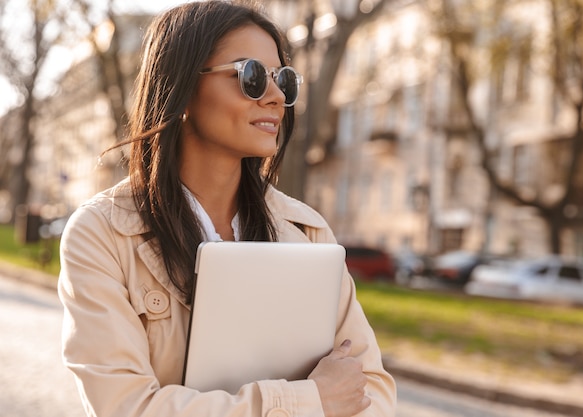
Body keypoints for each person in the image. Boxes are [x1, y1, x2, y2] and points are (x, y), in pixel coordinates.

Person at [57, 1, 397, 416]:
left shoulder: (306, 233)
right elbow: (127, 407)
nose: (275, 97)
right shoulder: (102, 233)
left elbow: (371, 391)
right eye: (251, 76)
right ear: (181, 87)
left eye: (284, 81)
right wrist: (309, 402)